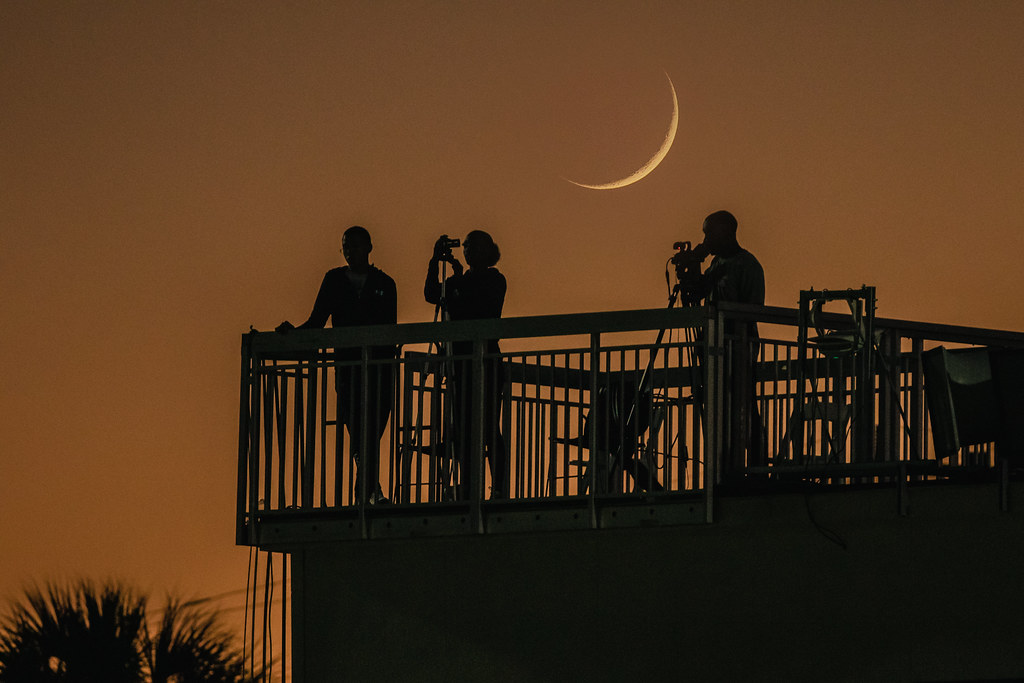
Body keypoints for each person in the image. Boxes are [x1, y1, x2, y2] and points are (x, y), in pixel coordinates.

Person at [277, 225, 397, 504]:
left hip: (379, 370)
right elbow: (316, 322)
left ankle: (366, 490)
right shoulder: (333, 280)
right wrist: (292, 333)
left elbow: (389, 329)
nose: (350, 251)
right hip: (348, 370)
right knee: (358, 430)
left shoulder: (385, 283)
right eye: (345, 246)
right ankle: (371, 491)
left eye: (355, 245)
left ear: (369, 247)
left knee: (371, 431)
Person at [424, 230, 508, 500]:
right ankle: (470, 487)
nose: (468, 250)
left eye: (475, 245)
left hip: (486, 363)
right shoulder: (460, 281)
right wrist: (434, 262)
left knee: (488, 428)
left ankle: (498, 488)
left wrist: (458, 282)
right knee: (463, 428)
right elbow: (431, 294)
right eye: (467, 245)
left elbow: (480, 307)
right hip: (460, 365)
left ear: (488, 251)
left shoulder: (495, 279)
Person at [684, 210, 766, 479]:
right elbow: (696, 293)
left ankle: (755, 465)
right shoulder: (716, 263)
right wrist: (692, 266)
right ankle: (722, 468)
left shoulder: (748, 265)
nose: (706, 238)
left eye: (709, 232)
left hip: (739, 347)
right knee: (717, 409)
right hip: (714, 349)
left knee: (744, 406)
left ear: (727, 232)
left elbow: (754, 309)